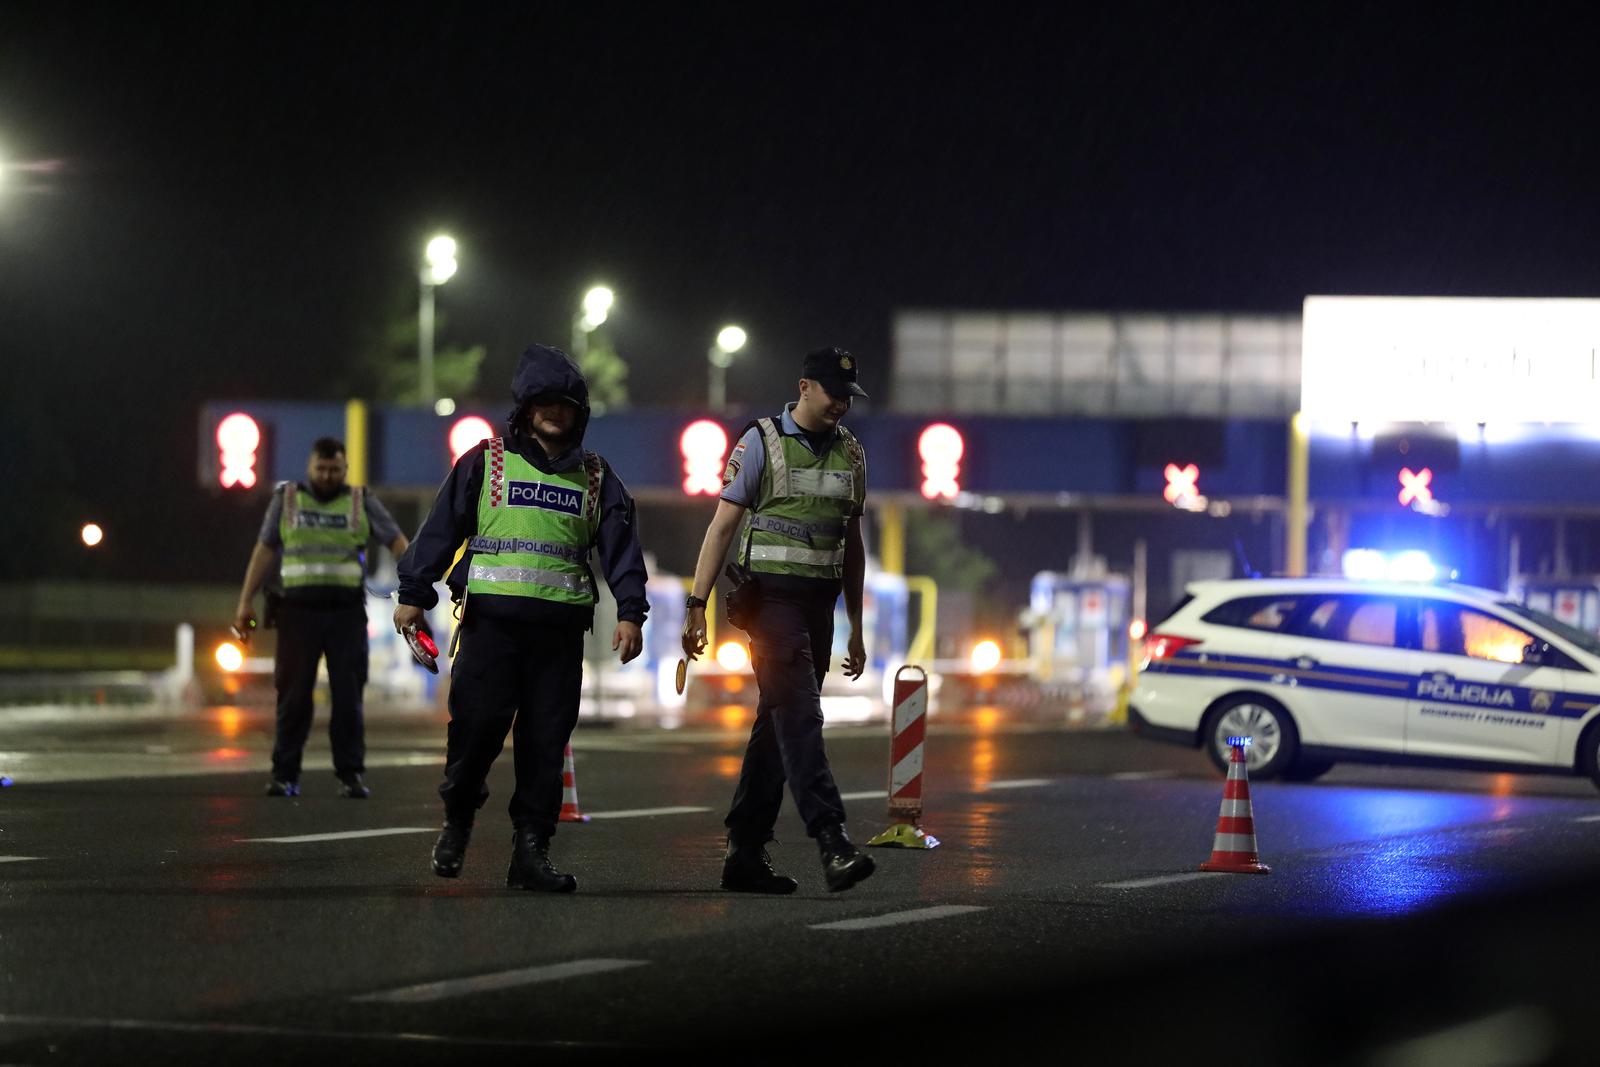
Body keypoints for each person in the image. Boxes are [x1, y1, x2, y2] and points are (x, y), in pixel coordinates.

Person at [395, 344, 647, 893]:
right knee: (475, 735)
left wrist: (632, 613)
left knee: (544, 745)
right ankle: (458, 822)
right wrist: (414, 591)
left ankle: (530, 853)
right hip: (491, 633)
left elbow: (623, 552)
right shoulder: (484, 463)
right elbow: (439, 532)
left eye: (568, 404)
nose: (558, 412)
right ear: (527, 407)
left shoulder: (598, 478)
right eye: (547, 402)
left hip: (558, 639)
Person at [682, 346, 876, 894]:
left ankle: (744, 851)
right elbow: (721, 527)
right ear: (804, 387)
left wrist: (856, 625)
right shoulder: (761, 441)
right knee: (800, 715)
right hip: (770, 606)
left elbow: (852, 545)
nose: (841, 404)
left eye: (848, 396)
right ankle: (831, 838)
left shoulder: (853, 455)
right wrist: (696, 606)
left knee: (776, 726)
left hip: (819, 608)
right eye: (833, 393)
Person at [233, 437, 409, 799]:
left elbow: (397, 542)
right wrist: (244, 601)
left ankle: (350, 776)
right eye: (321, 469)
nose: (327, 475)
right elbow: (264, 550)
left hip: (345, 613)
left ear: (345, 470)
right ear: (309, 468)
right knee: (293, 696)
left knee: (348, 697)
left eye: (334, 469)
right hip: (297, 613)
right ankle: (285, 775)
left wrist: (414, 587)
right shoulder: (287, 499)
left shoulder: (361, 501)